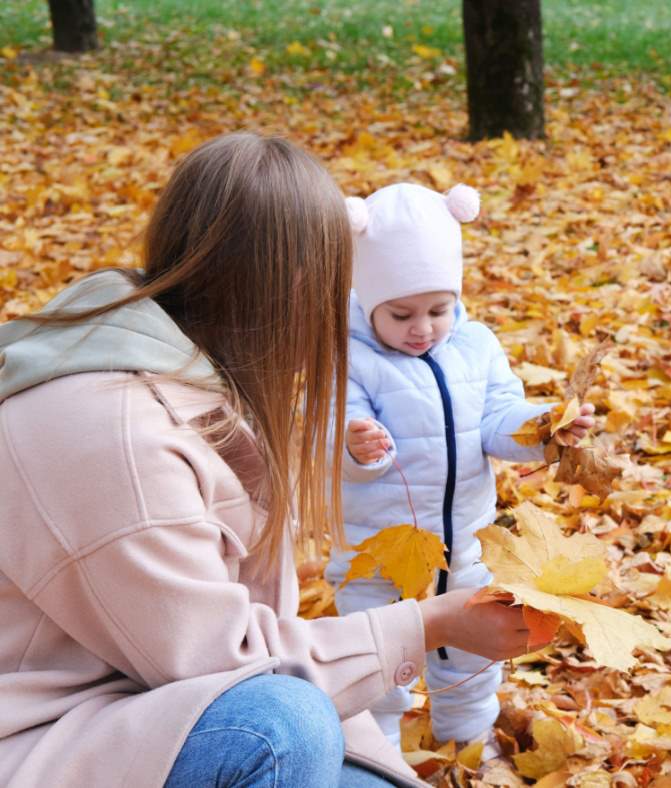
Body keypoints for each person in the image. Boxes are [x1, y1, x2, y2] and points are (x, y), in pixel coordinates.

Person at [0, 133, 534, 787]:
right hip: (48, 740)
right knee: (282, 726)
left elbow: (267, 639)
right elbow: (231, 665)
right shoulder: (118, 436)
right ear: (297, 286)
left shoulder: (192, 378)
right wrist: (429, 623)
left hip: (147, 710)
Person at [325, 182, 594, 754]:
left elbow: (498, 416)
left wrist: (541, 430)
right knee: (376, 671)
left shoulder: (473, 345)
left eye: (438, 309)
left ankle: (469, 745)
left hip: (465, 550)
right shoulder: (350, 360)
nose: (422, 327)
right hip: (379, 558)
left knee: (470, 662)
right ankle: (377, 758)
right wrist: (355, 448)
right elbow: (331, 437)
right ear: (369, 299)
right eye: (401, 314)